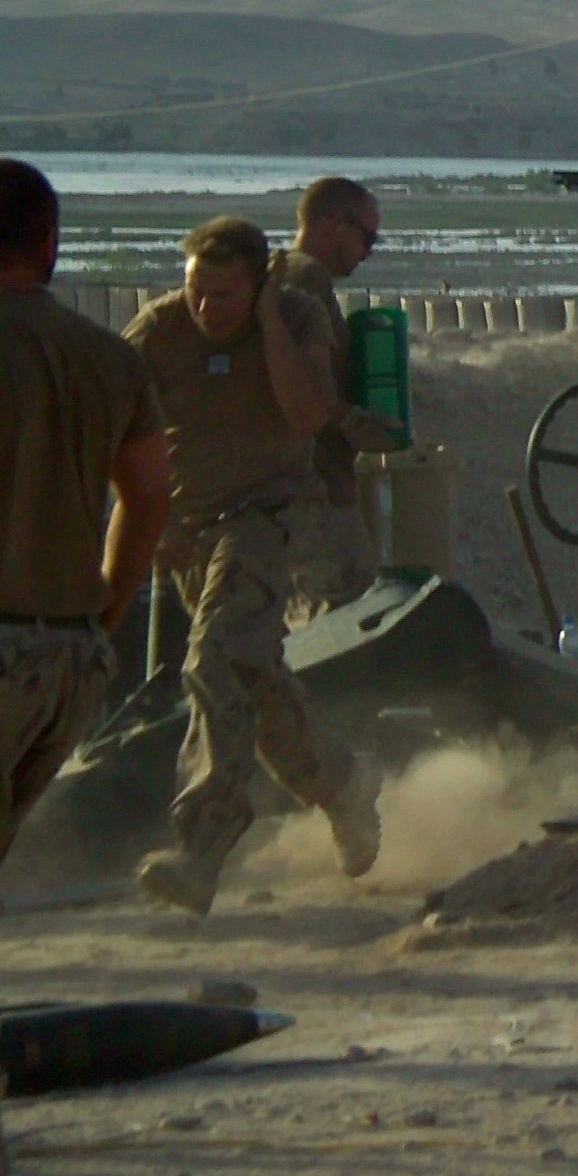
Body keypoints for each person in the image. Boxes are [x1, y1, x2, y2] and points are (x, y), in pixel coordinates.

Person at [123, 216, 381, 913]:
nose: (207, 309)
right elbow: (113, 433)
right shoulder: (157, 331)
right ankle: (344, 784)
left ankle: (201, 847)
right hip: (191, 530)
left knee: (211, 658)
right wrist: (155, 525)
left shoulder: (295, 317)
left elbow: (308, 413)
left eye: (226, 295)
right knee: (257, 686)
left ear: (260, 284)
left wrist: (266, 318)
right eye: (197, 290)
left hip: (270, 515)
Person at [0, 160, 172, 868]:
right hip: (67, 662)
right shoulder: (106, 356)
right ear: (47, 242)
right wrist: (101, 622)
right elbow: (150, 497)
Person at [272, 176, 406, 614]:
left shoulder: (284, 276)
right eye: (367, 237)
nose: (369, 250)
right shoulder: (306, 278)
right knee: (347, 614)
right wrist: (360, 425)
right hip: (311, 487)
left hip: (294, 482)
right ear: (332, 225)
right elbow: (312, 389)